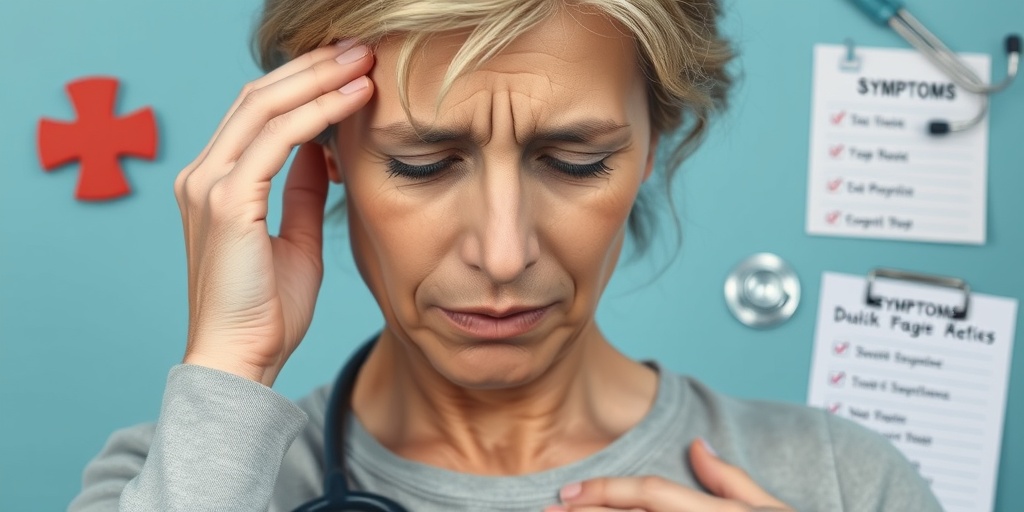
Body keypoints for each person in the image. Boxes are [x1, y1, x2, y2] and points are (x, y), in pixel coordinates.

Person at [69, 0, 943, 511]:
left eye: (575, 162)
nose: (501, 252)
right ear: (321, 150)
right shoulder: (168, 476)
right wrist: (229, 367)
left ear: (654, 143)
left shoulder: (845, 482)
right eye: (421, 164)